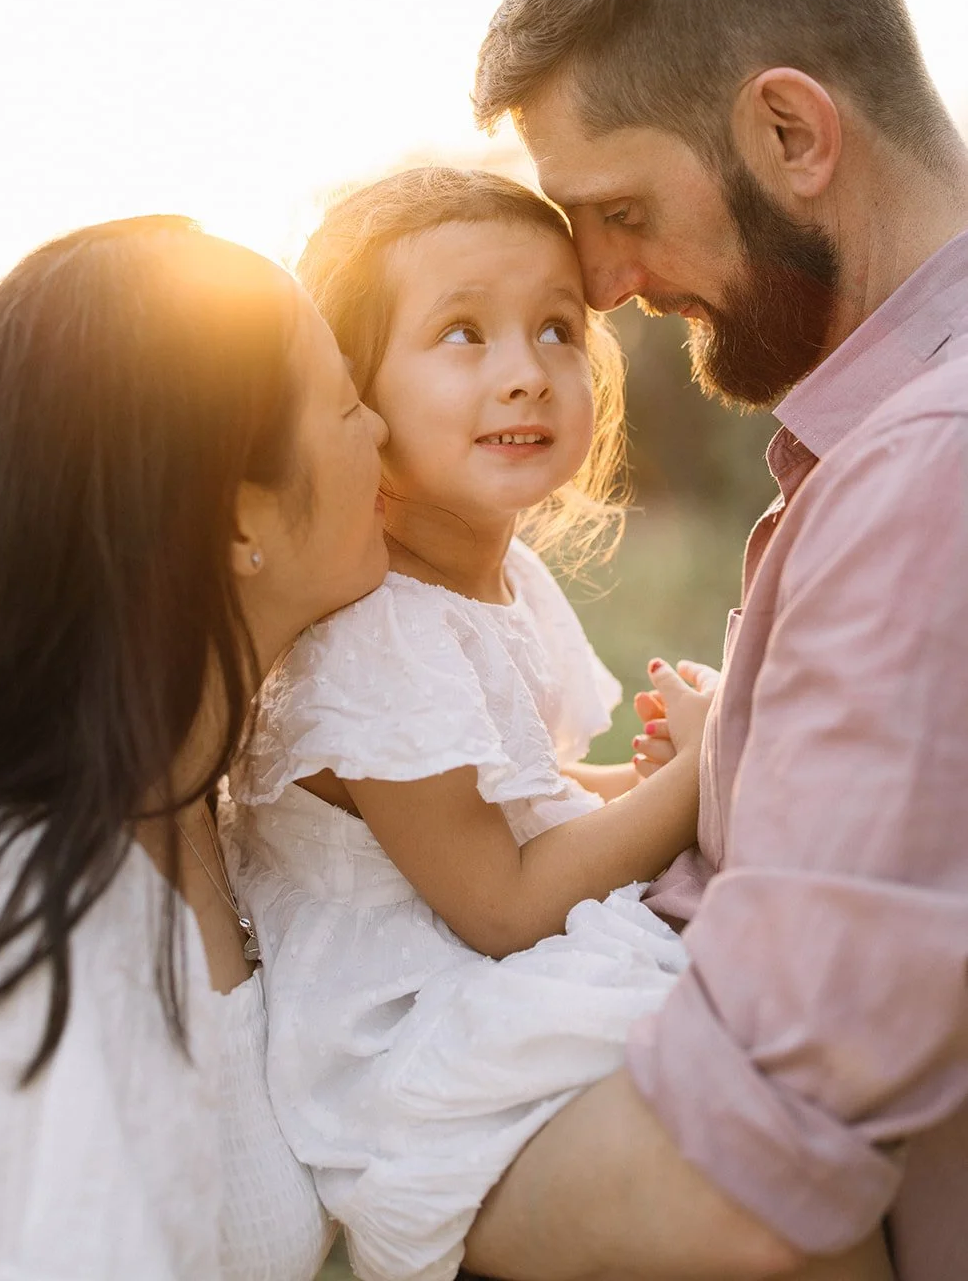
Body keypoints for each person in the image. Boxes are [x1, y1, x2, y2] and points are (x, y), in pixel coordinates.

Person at [460, 0, 968, 1280]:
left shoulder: (925, 469)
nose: (604, 286)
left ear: (792, 136)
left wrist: (372, 1166)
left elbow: (733, 1186)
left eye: (621, 212)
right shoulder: (885, 445)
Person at [224, 166, 716, 1281]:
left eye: (554, 329)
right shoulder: (377, 633)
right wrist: (696, 774)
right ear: (354, 400)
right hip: (412, 1051)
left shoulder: (511, 581)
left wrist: (649, 778)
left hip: (494, 974)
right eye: (461, 332)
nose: (524, 374)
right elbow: (498, 902)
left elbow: (526, 792)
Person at [0, 214, 390, 1280]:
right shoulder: (31, 915)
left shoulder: (220, 815)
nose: (381, 430)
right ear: (235, 521)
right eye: (347, 400)